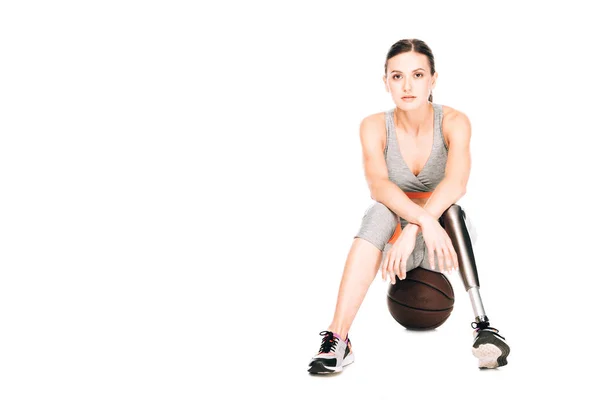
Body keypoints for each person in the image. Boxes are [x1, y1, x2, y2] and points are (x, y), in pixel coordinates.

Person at [307, 38, 510, 375]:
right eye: (397, 76)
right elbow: (379, 186)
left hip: (441, 241)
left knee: (452, 210)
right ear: (385, 82)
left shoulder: (454, 121)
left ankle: (484, 326)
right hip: (391, 243)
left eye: (417, 74)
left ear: (433, 79)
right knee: (380, 212)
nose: (407, 85)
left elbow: (456, 184)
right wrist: (410, 224)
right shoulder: (373, 125)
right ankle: (338, 339)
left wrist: (418, 225)